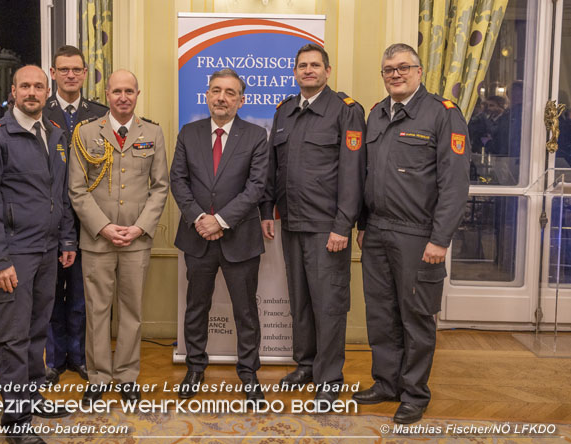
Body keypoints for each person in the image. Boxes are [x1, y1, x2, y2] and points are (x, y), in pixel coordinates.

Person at [352, 43, 470, 424]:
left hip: (419, 236)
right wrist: (364, 226)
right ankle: (386, 382)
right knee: (382, 314)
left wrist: (440, 239)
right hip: (378, 232)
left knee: (416, 316)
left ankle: (415, 393)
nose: (396, 74)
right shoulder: (375, 114)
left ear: (419, 72)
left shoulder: (442, 114)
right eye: (388, 69)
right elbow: (368, 177)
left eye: (403, 67)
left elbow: (454, 185)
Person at [0, 65, 76, 444]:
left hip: (48, 251)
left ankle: (32, 394)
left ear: (47, 92)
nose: (32, 92)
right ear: (12, 91)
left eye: (38, 86)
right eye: (24, 86)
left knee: (36, 330)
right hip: (14, 254)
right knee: (12, 337)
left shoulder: (56, 134)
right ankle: (16, 421)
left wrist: (66, 241)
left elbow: (60, 196)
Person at [259, 43, 366, 402]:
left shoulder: (345, 111)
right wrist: (266, 210)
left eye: (315, 65)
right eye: (302, 65)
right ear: (295, 72)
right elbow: (273, 169)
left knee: (329, 303)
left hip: (326, 227)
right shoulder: (285, 111)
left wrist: (342, 225)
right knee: (300, 301)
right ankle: (305, 365)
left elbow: (353, 173)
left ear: (327, 71)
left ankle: (329, 377)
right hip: (291, 222)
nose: (308, 70)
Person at [68, 69, 169, 405]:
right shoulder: (85, 133)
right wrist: (104, 226)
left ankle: (126, 376)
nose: (123, 97)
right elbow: (77, 189)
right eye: (116, 91)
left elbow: (160, 187)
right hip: (97, 239)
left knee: (131, 311)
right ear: (106, 94)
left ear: (138, 94)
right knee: (96, 312)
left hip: (137, 240)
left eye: (129, 91)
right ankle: (98, 377)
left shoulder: (152, 133)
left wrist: (139, 227)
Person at [170, 68, 269, 402]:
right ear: (207, 95)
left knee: (245, 311)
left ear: (241, 100)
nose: (222, 97)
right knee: (197, 307)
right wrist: (200, 218)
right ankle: (195, 366)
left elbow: (256, 187)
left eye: (230, 92)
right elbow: (178, 181)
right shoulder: (189, 132)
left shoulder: (256, 136)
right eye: (216, 90)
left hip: (240, 238)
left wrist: (221, 220)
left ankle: (248, 371)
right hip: (197, 236)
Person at [42, 45, 108, 385]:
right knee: (51, 295)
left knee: (83, 295)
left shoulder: (100, 113)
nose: (70, 75)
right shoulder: (40, 109)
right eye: (63, 69)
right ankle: (54, 359)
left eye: (76, 70)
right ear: (53, 73)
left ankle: (80, 356)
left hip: (88, 220)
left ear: (84, 74)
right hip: (48, 219)